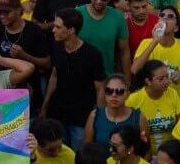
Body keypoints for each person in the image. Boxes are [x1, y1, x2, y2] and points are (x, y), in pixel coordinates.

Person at [42, 8, 106, 149]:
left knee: (79, 156)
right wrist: (44, 106)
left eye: (58, 27)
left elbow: (100, 88)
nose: (53, 30)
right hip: (58, 115)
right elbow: (54, 76)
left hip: (81, 118)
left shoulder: (92, 54)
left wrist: (99, 117)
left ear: (71, 30)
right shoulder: (57, 48)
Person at [132, 6, 180, 105]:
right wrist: (155, 41)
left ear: (176, 28)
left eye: (170, 16)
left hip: (176, 107)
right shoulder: (146, 43)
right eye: (162, 15)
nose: (165, 18)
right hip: (150, 106)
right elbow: (135, 69)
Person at [83, 74, 147, 146]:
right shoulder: (95, 115)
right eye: (109, 91)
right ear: (104, 93)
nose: (114, 95)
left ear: (128, 94)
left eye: (120, 91)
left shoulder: (139, 118)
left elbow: (146, 151)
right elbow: (87, 149)